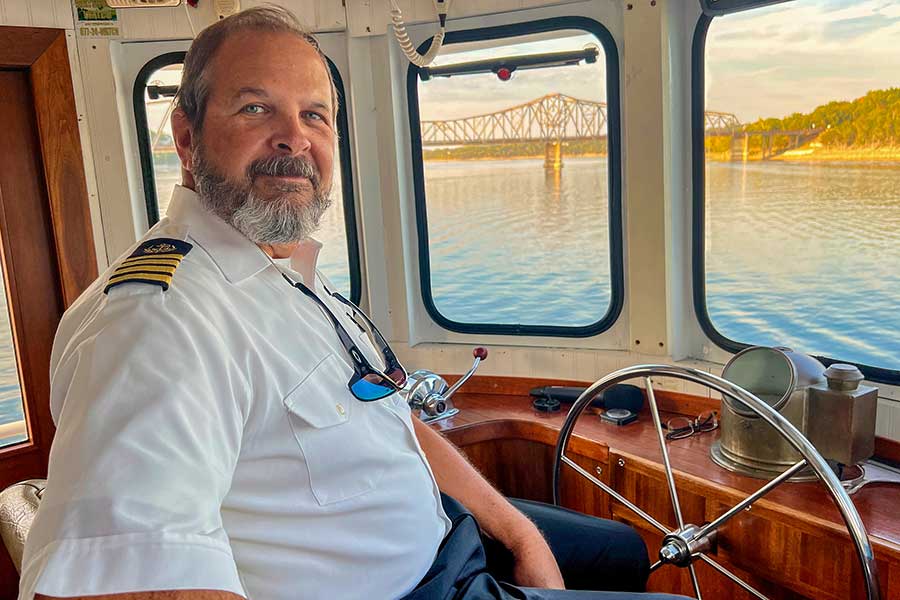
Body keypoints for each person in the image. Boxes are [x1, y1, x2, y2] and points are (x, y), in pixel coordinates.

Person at [19, 6, 686, 600]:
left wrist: (517, 533)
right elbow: (118, 583)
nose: (294, 138)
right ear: (188, 140)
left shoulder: (286, 273)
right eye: (255, 109)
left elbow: (393, 422)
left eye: (315, 115)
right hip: (423, 588)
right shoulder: (160, 321)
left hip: (447, 541)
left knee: (622, 551)